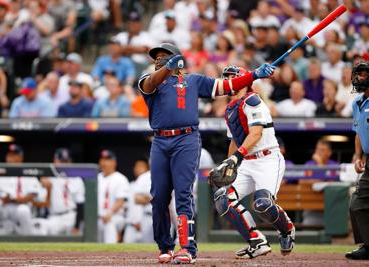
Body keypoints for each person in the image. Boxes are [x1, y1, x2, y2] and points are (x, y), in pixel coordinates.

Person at [138, 42, 275, 264]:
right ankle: (165, 245)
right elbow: (152, 81)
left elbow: (228, 86)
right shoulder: (149, 80)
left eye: (163, 56)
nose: (158, 60)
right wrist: (166, 68)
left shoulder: (193, 80)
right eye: (156, 57)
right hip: (161, 139)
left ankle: (187, 249)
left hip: (186, 138)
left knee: (183, 194)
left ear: (176, 59)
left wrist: (254, 75)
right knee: (159, 196)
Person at [210, 65, 295, 259]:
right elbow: (234, 140)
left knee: (263, 203)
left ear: (243, 80)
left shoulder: (253, 101)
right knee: (223, 197)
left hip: (268, 159)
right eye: (227, 78)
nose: (229, 82)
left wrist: (236, 158)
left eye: (233, 77)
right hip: (247, 161)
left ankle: (287, 229)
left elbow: (256, 134)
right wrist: (228, 162)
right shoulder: (231, 109)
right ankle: (256, 241)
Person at [0, 144, 42, 235]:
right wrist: (1, 198)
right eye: (9, 155)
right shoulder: (0, 171)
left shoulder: (28, 172)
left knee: (24, 210)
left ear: (21, 157)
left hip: (21, 206)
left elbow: (33, 194)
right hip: (4, 207)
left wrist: (18, 199)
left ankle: (28, 239)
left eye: (14, 155)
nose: (10, 158)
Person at [346, 61, 369, 260]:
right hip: (368, 161)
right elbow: (357, 132)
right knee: (358, 202)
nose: (360, 78)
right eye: (359, 74)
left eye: (364, 74)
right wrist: (358, 156)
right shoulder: (358, 102)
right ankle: (367, 246)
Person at [39, 148, 85, 235]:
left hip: (71, 216)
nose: (63, 164)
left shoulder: (76, 179)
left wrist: (77, 226)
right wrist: (44, 186)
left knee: (75, 245)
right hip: (54, 217)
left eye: (66, 161)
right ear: (55, 160)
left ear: (70, 161)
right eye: (61, 161)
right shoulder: (48, 177)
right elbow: (42, 203)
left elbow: (80, 205)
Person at [97, 149, 130, 243]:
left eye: (107, 160)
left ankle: (110, 255)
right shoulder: (97, 178)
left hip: (115, 216)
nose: (104, 162)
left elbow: (121, 200)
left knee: (109, 224)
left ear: (114, 162)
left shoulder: (120, 178)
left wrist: (110, 213)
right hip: (98, 217)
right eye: (102, 159)